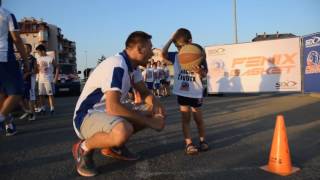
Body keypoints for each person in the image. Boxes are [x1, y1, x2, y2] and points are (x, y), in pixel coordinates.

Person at [72, 31, 165, 177]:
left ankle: (113, 147)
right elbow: (113, 107)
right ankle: (83, 147)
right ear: (140, 49)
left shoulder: (133, 67)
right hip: (86, 116)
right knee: (123, 130)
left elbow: (145, 93)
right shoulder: (117, 65)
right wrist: (151, 122)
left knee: (149, 110)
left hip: (106, 114)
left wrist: (156, 108)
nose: (152, 54)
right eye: (150, 48)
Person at [162, 28, 209, 155]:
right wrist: (171, 40)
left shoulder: (199, 54)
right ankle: (189, 143)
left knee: (198, 119)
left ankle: (202, 140)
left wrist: (200, 72)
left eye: (181, 46)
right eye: (177, 46)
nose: (179, 49)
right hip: (183, 92)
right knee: (185, 118)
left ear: (190, 41)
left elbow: (205, 74)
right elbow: (163, 54)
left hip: (196, 92)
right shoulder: (177, 56)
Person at [0, 2, 29, 136]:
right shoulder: (6, 14)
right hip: (4, 56)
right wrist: (25, 60)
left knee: (1, 93)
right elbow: (16, 39)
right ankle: (2, 120)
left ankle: (9, 124)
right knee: (17, 90)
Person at [35, 44, 59, 115]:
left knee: (50, 94)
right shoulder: (38, 59)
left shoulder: (50, 58)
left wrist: (56, 78)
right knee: (41, 94)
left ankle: (52, 108)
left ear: (42, 51)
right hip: (40, 79)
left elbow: (57, 67)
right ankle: (43, 108)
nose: (38, 54)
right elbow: (37, 68)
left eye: (38, 52)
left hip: (49, 78)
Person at [19, 43, 37, 121]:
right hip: (21, 80)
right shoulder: (20, 59)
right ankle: (27, 111)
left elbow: (36, 70)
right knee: (20, 97)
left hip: (30, 80)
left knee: (30, 98)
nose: (25, 49)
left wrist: (28, 73)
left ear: (30, 49)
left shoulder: (33, 59)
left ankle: (32, 114)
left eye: (27, 48)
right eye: (24, 48)